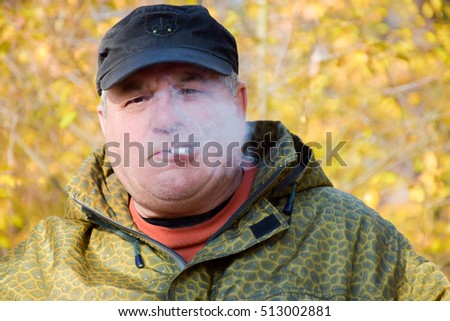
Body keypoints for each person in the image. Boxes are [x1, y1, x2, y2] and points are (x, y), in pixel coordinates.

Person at [1, 4, 449, 301]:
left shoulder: (349, 238)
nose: (166, 120)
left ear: (239, 105)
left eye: (191, 89)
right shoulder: (45, 266)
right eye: (135, 99)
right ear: (104, 121)